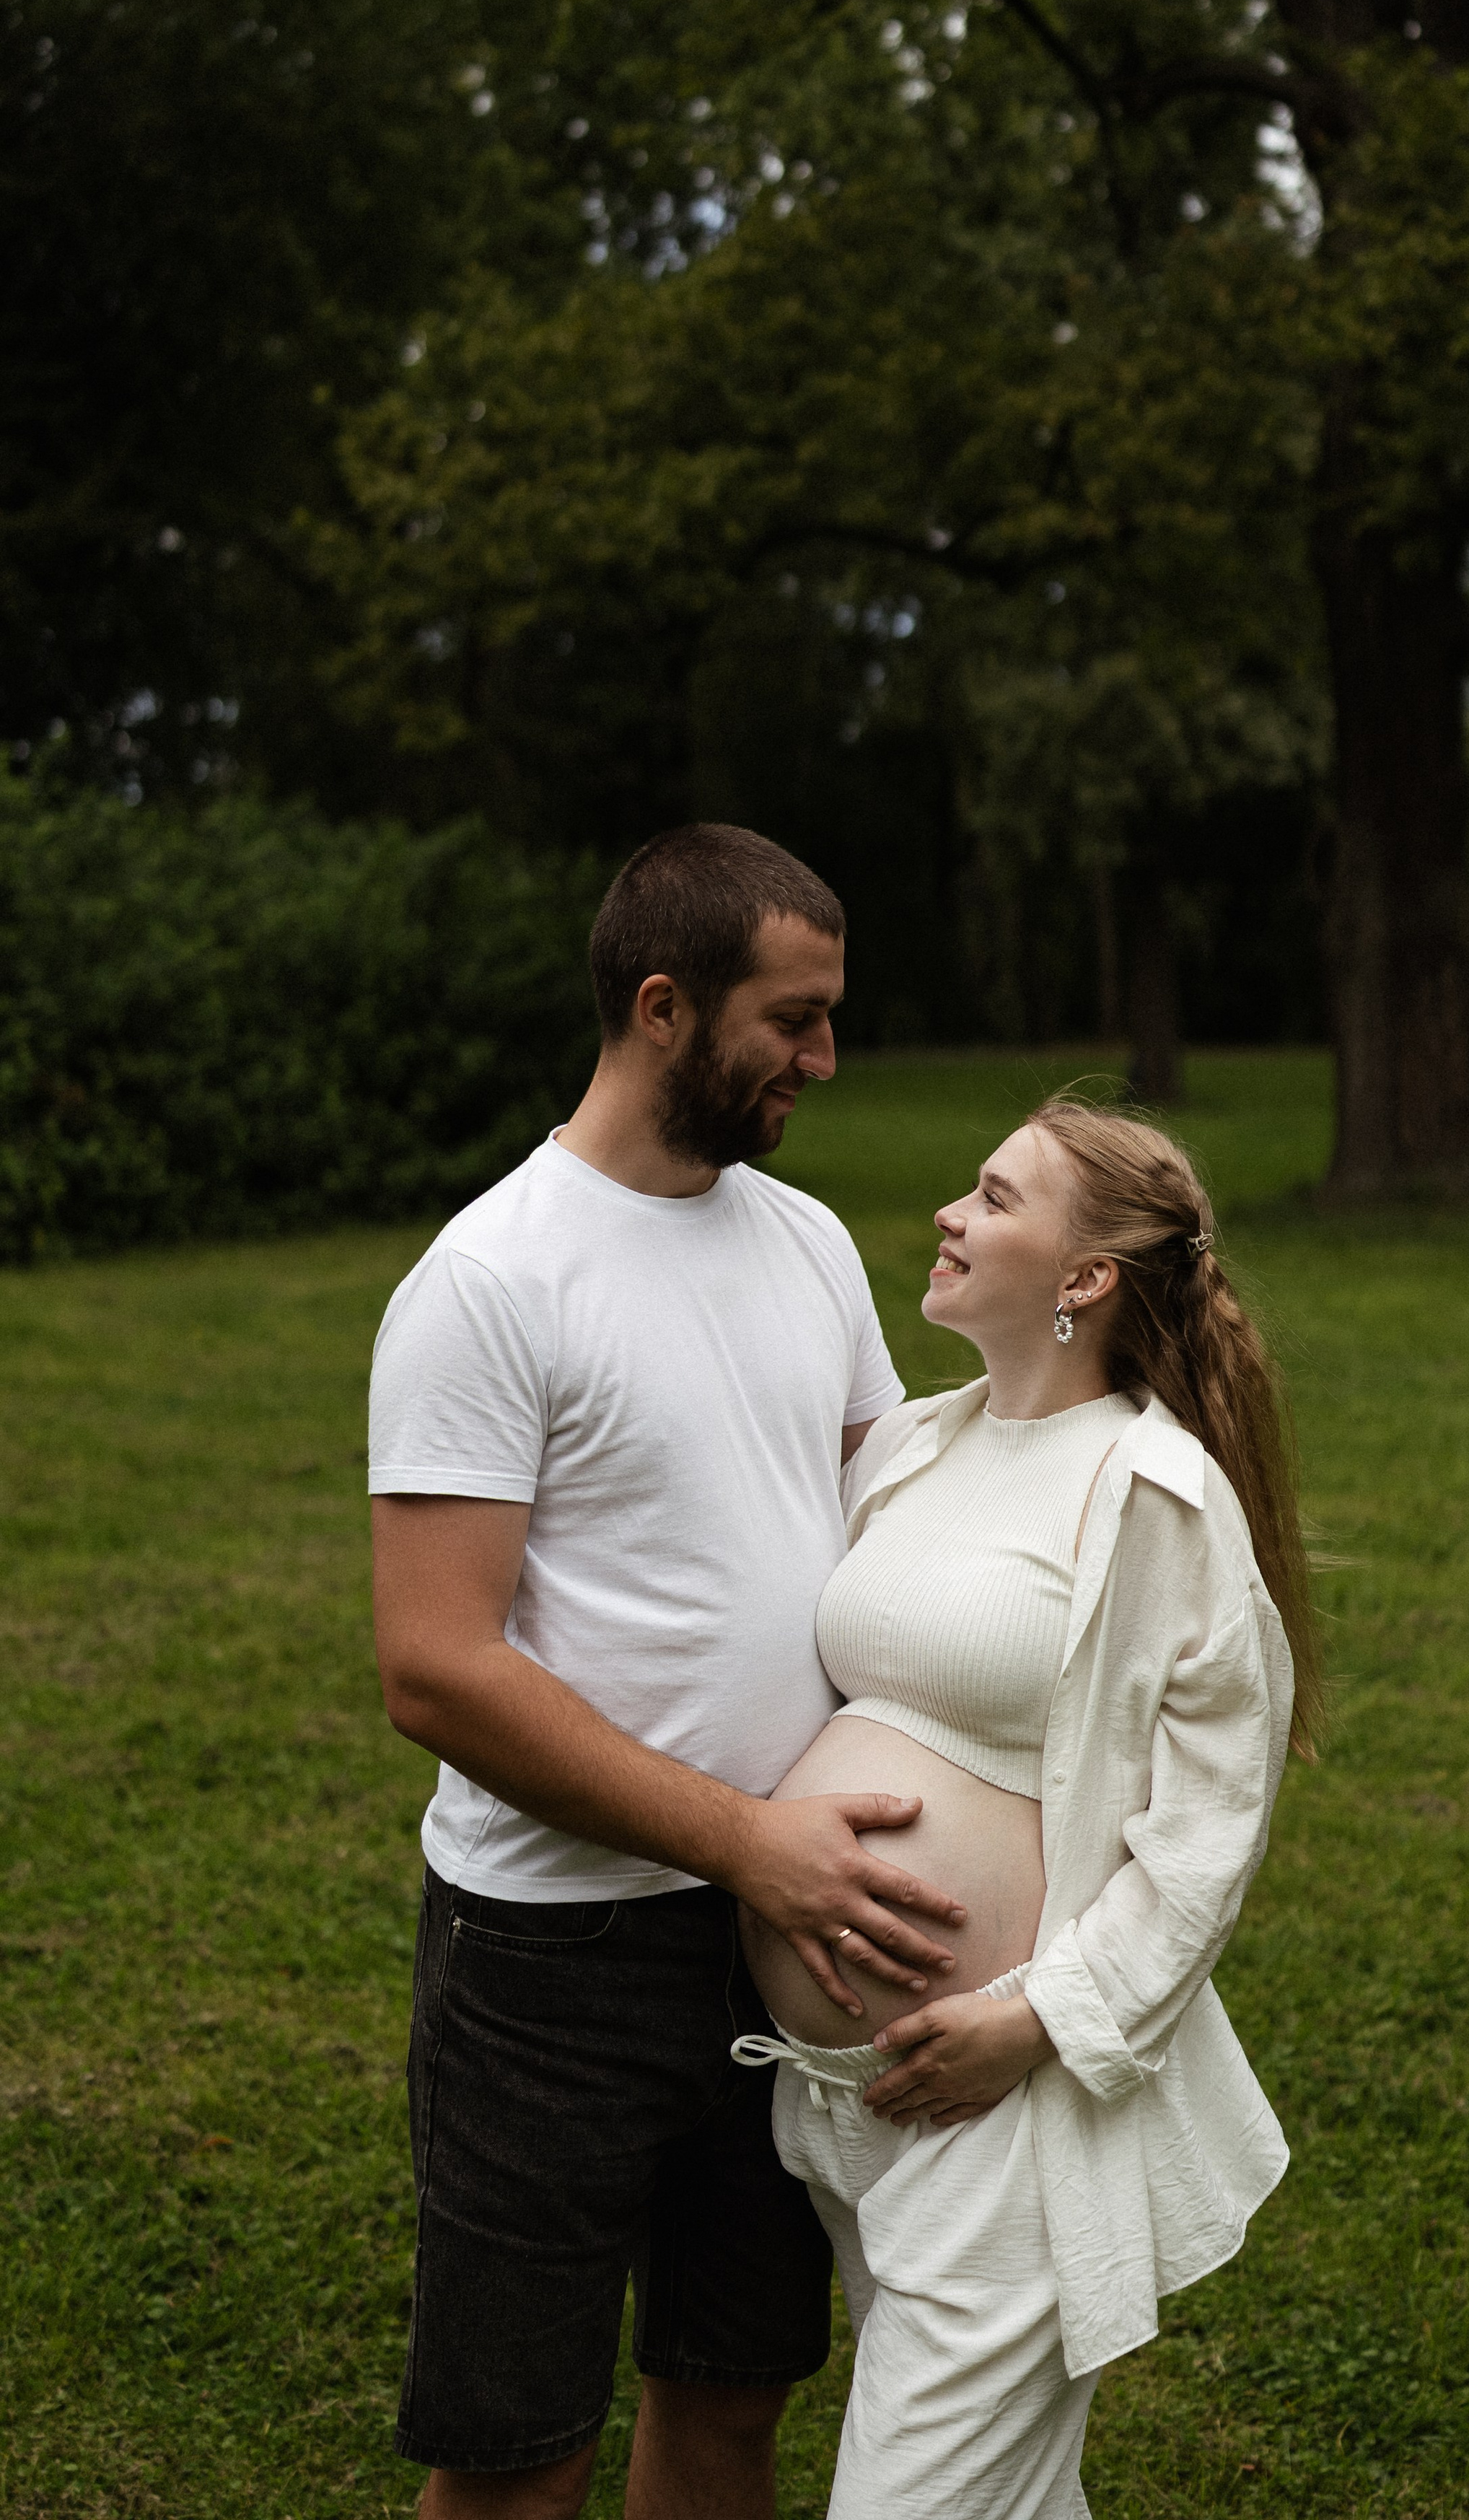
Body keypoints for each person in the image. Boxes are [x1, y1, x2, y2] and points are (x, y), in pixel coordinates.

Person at [368, 823, 969, 2520]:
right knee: (515, 2455)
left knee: (730, 2392)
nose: (824, 1060)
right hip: (550, 1962)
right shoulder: (489, 1283)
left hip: (785, 1946)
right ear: (659, 1007)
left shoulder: (804, 1246)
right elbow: (433, 1666)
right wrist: (740, 1837)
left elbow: (898, 1530)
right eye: (791, 1019)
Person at [732, 1097, 1325, 2520]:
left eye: (995, 1197)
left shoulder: (1153, 1495)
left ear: (1084, 1280)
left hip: (1005, 2101)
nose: (949, 1212)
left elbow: (1202, 1843)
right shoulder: (919, 1449)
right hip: (842, 2107)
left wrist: (1034, 2019)